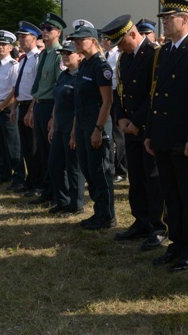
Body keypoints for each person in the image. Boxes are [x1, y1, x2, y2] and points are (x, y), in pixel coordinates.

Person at [145, 0, 188, 271]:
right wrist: (150, 132)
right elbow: (156, 95)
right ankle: (176, 243)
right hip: (163, 136)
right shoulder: (164, 51)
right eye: (162, 17)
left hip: (184, 138)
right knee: (170, 194)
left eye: (168, 17)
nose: (164, 21)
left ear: (184, 20)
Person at [102, 15, 167, 250]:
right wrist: (121, 118)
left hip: (147, 126)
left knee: (153, 178)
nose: (119, 48)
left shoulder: (155, 54)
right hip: (129, 127)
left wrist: (137, 121)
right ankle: (141, 221)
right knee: (136, 178)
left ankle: (159, 226)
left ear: (132, 34)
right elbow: (119, 91)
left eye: (121, 42)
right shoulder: (123, 58)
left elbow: (155, 94)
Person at [68, 25, 116, 230]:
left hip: (97, 125)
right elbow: (79, 102)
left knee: (100, 171)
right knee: (88, 169)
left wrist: (98, 129)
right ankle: (99, 212)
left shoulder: (100, 66)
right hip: (83, 123)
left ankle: (107, 216)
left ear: (93, 41)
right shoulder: (85, 64)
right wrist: (74, 131)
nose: (77, 43)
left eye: (81, 40)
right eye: (75, 40)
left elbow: (107, 101)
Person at [25, 12, 66, 204]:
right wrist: (32, 108)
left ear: (58, 32)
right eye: (43, 28)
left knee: (53, 154)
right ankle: (47, 191)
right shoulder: (43, 55)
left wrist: (54, 116)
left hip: (51, 106)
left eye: (49, 29)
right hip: (40, 105)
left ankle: (56, 193)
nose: (44, 31)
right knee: (43, 152)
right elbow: (38, 87)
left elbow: (59, 88)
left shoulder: (59, 56)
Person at [47, 40, 85, 217]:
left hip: (72, 129)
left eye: (68, 53)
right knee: (55, 164)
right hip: (59, 126)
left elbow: (79, 107)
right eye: (63, 53)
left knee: (73, 168)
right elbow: (57, 100)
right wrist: (53, 121)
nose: (64, 56)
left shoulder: (81, 77)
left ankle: (75, 205)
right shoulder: (64, 75)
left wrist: (73, 132)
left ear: (79, 55)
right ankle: (62, 201)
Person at [0, 30, 24, 187]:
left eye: (4, 45)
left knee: (13, 145)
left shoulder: (14, 65)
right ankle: (4, 173)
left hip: (6, 108)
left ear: (10, 47)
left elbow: (14, 91)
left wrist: (0, 107)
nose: (0, 47)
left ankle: (19, 176)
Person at [9, 21, 42, 194]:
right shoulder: (23, 59)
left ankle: (38, 183)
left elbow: (37, 88)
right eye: (19, 37)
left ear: (34, 38)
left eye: (24, 37)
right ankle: (31, 180)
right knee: (26, 147)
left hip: (32, 105)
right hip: (22, 104)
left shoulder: (37, 59)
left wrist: (30, 110)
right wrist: (14, 107)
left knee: (34, 147)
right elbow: (20, 85)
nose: (20, 40)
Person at [101, 28, 128, 184]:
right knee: (108, 136)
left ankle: (121, 169)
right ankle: (110, 167)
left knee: (119, 136)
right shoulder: (105, 56)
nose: (104, 41)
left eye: (106, 38)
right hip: (106, 97)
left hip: (116, 96)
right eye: (103, 37)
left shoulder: (118, 55)